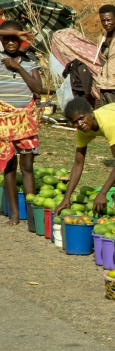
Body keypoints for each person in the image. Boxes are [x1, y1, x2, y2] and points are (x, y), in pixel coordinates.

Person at [55, 98, 115, 216]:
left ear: (91, 112)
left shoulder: (107, 124)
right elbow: (78, 163)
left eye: (82, 118)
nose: (80, 124)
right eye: (75, 122)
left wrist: (102, 193)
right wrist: (66, 197)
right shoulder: (82, 130)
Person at [0, 20, 42, 226]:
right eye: (5, 38)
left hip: (26, 119)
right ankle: (15, 213)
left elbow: (39, 88)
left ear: (21, 40)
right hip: (4, 119)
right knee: (9, 165)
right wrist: (14, 31)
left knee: (27, 165)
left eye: (14, 38)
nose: (10, 42)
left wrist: (18, 67)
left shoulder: (30, 60)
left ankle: (32, 213)